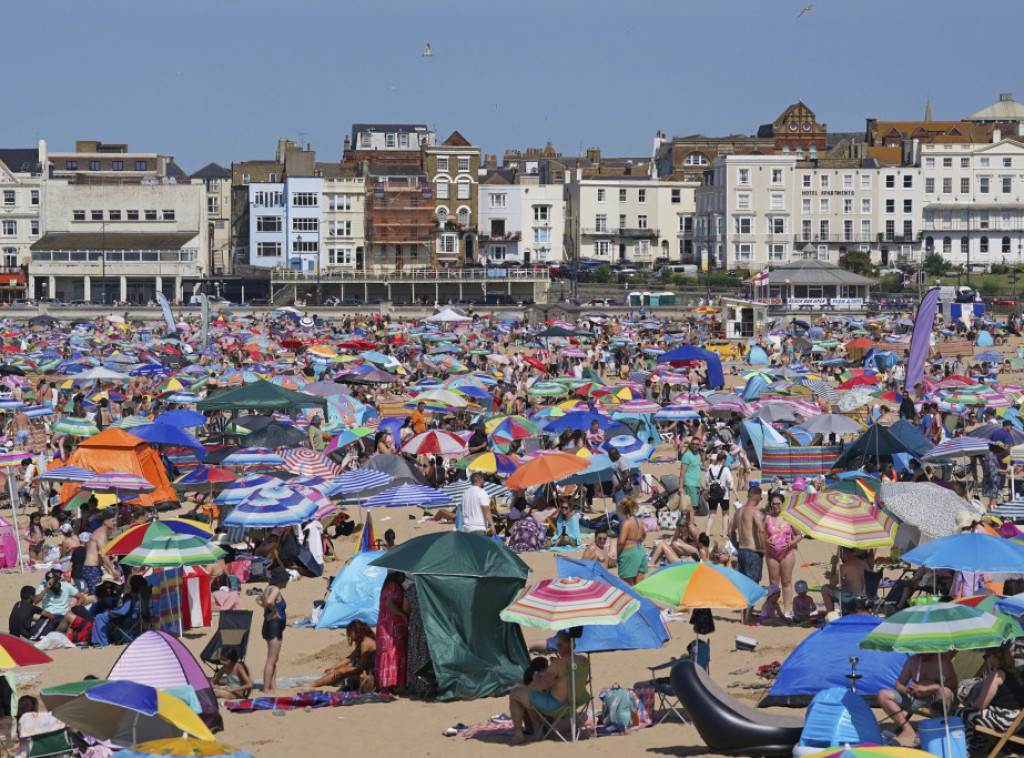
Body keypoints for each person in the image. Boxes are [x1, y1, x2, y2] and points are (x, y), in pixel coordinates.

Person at [507, 631, 585, 745]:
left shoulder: (557, 664)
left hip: (556, 705)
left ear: (558, 646)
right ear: (574, 646)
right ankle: (538, 731)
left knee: (516, 693)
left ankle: (519, 734)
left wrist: (537, 678)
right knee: (532, 697)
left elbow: (540, 687)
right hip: (575, 702)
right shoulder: (583, 660)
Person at [955, 646, 1024, 757]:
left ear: (991, 656)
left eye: (985, 657)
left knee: (959, 713)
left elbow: (981, 704)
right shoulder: (1014, 674)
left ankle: (965, 749)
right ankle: (976, 746)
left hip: (1004, 718)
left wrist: (970, 702)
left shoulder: (997, 675)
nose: (985, 660)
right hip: (1017, 721)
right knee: (977, 715)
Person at [878, 652, 957, 745]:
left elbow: (952, 683)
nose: (921, 655)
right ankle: (907, 729)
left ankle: (935, 729)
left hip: (935, 697)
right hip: (915, 697)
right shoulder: (913, 661)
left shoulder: (942, 660)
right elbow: (899, 683)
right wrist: (905, 690)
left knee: (945, 691)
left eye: (924, 652)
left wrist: (928, 688)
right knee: (882, 695)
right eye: (918, 652)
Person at [730, 486, 766, 625]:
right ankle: (747, 619)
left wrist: (737, 546)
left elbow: (730, 531)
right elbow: (762, 531)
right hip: (752, 552)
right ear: (757, 498)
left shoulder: (738, 512)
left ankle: (741, 618)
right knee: (753, 587)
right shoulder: (754, 511)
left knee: (743, 587)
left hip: (742, 552)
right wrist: (763, 549)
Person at [764, 492, 802, 616]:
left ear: (782, 504)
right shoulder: (767, 518)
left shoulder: (789, 517)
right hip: (771, 554)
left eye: (778, 504)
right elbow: (760, 533)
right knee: (774, 584)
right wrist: (765, 540)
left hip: (787, 553)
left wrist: (791, 543)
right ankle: (773, 609)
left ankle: (786, 610)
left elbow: (798, 535)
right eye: (773, 504)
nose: (775, 506)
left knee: (786, 582)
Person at [313, 620, 376, 689]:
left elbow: (362, 668)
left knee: (341, 670)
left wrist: (344, 671)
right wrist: (334, 667)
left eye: (350, 633)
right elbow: (350, 657)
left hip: (371, 673)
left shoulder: (365, 643)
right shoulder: (363, 640)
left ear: (356, 631)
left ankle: (312, 684)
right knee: (336, 671)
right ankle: (315, 683)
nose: (349, 635)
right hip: (366, 670)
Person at [256, 566, 289, 695]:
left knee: (274, 658)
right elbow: (269, 601)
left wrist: (266, 610)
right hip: (274, 627)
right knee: (271, 659)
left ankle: (273, 686)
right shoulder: (275, 589)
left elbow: (259, 599)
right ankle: (266, 688)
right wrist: (274, 612)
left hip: (270, 625)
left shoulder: (268, 588)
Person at [375, 572, 408, 694]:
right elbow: (390, 603)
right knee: (393, 652)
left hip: (385, 624)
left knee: (387, 653)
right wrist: (402, 614)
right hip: (391, 626)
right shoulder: (393, 586)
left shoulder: (387, 585)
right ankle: (388, 685)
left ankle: (387, 684)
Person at [32, 568, 86, 638]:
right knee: (40, 635)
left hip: (63, 616)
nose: (57, 583)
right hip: (49, 615)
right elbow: (35, 601)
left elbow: (81, 598)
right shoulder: (42, 587)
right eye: (54, 581)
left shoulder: (65, 585)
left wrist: (73, 610)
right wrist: (47, 588)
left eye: (57, 580)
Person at [821, 546, 870, 614]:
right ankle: (846, 611)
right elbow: (853, 581)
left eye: (840, 553)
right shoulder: (864, 564)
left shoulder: (845, 567)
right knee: (843, 588)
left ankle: (831, 616)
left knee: (825, 588)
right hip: (866, 597)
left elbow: (832, 583)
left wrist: (834, 566)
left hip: (853, 598)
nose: (840, 556)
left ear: (845, 553)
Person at [82, 513, 120, 594]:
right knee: (95, 595)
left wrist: (109, 569)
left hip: (93, 568)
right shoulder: (100, 533)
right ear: (105, 522)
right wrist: (112, 569)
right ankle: (73, 605)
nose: (115, 523)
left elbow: (100, 557)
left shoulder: (101, 533)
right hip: (92, 569)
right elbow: (103, 553)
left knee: (93, 594)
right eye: (113, 521)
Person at [615, 496, 647, 586]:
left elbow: (621, 541)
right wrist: (637, 541)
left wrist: (616, 553)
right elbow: (644, 535)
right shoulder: (639, 521)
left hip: (629, 554)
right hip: (640, 551)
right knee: (639, 586)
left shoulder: (627, 522)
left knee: (628, 586)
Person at [704, 451, 733, 540]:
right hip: (724, 495)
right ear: (723, 459)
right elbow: (730, 482)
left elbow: (706, 482)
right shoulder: (725, 469)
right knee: (725, 514)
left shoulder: (710, 469)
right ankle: (724, 534)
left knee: (711, 515)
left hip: (712, 493)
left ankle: (707, 533)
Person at [678, 437, 703, 514]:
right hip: (689, 484)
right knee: (692, 507)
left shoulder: (698, 455)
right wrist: (681, 487)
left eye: (696, 444)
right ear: (690, 445)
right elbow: (682, 472)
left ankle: (689, 524)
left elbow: (696, 470)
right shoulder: (687, 455)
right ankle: (691, 524)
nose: (694, 445)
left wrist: (700, 484)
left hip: (696, 484)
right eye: (693, 444)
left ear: (699, 445)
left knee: (693, 507)